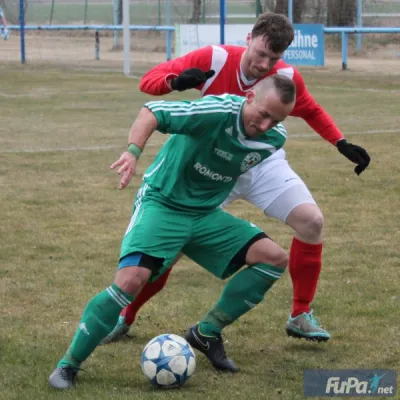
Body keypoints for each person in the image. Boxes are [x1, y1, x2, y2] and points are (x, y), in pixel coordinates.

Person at [104, 12, 371, 344]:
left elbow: (310, 109)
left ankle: (300, 314)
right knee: (169, 248)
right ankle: (124, 317)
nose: (264, 64)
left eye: (272, 58)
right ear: (249, 38)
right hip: (209, 165)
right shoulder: (215, 58)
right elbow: (149, 81)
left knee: (311, 221)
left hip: (259, 162)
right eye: (260, 53)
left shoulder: (284, 76)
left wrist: (340, 142)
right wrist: (175, 82)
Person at [48, 75, 296, 389]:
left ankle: (206, 331)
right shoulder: (215, 112)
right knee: (129, 281)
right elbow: (151, 111)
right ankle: (68, 365)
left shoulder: (274, 138)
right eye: (263, 114)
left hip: (205, 215)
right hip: (162, 203)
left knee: (273, 259)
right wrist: (132, 153)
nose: (265, 125)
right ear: (248, 97)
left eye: (275, 120)